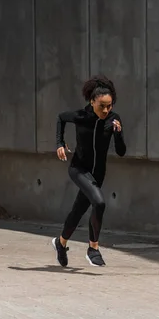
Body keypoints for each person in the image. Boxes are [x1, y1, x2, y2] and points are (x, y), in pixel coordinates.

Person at [52, 75, 126, 267]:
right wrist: (60, 143)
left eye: (109, 106)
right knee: (99, 203)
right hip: (79, 169)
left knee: (77, 211)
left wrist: (118, 134)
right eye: (102, 105)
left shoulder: (113, 120)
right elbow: (61, 118)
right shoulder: (81, 117)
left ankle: (60, 243)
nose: (106, 110)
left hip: (97, 175)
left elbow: (121, 151)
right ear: (92, 101)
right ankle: (93, 248)